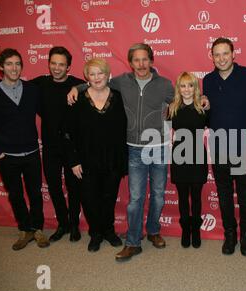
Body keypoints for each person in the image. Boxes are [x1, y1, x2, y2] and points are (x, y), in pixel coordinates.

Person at [68, 43, 174, 261]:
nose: (141, 64)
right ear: (131, 62)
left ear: (152, 61)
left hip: (159, 149)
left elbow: (182, 100)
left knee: (158, 196)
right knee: (135, 198)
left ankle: (153, 231)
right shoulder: (120, 82)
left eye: (145, 59)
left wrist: (203, 99)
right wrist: (75, 88)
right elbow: (95, 84)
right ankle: (133, 242)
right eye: (136, 60)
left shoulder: (165, 85)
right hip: (134, 150)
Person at [0, 47, 86, 243]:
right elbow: (12, 84)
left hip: (72, 148)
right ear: (48, 64)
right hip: (49, 148)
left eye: (61, 64)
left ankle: (74, 225)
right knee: (54, 188)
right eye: (53, 63)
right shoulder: (38, 85)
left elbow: (93, 83)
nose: (56, 68)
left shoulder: (76, 84)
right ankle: (62, 224)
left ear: (69, 67)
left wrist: (77, 88)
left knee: (74, 188)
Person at [0, 48, 50, 250]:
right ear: (1, 67)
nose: (14, 68)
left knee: (35, 193)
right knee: (15, 194)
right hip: (7, 156)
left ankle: (37, 228)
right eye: (9, 64)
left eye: (18, 64)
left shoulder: (32, 89)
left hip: (31, 153)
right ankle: (24, 229)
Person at [203, 37, 246, 256]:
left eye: (225, 53)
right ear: (212, 56)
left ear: (233, 54)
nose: (221, 58)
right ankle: (230, 234)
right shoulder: (208, 80)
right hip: (219, 146)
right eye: (217, 54)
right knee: (224, 193)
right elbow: (208, 113)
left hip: (243, 146)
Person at [64, 58, 127, 252]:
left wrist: (121, 160)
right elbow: (67, 132)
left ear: (107, 75)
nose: (97, 77)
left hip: (112, 159)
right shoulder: (78, 99)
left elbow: (123, 129)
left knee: (109, 197)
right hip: (86, 160)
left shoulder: (117, 96)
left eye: (100, 73)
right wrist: (73, 161)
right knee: (90, 199)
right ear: (86, 77)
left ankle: (109, 231)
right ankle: (96, 233)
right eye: (92, 74)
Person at [168, 72, 208, 248]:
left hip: (198, 156)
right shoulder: (172, 108)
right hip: (179, 157)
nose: (186, 89)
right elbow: (166, 134)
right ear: (179, 88)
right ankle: (186, 229)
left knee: (197, 197)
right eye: (183, 86)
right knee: (183, 197)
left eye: (190, 85)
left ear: (195, 88)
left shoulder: (203, 107)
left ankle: (196, 229)